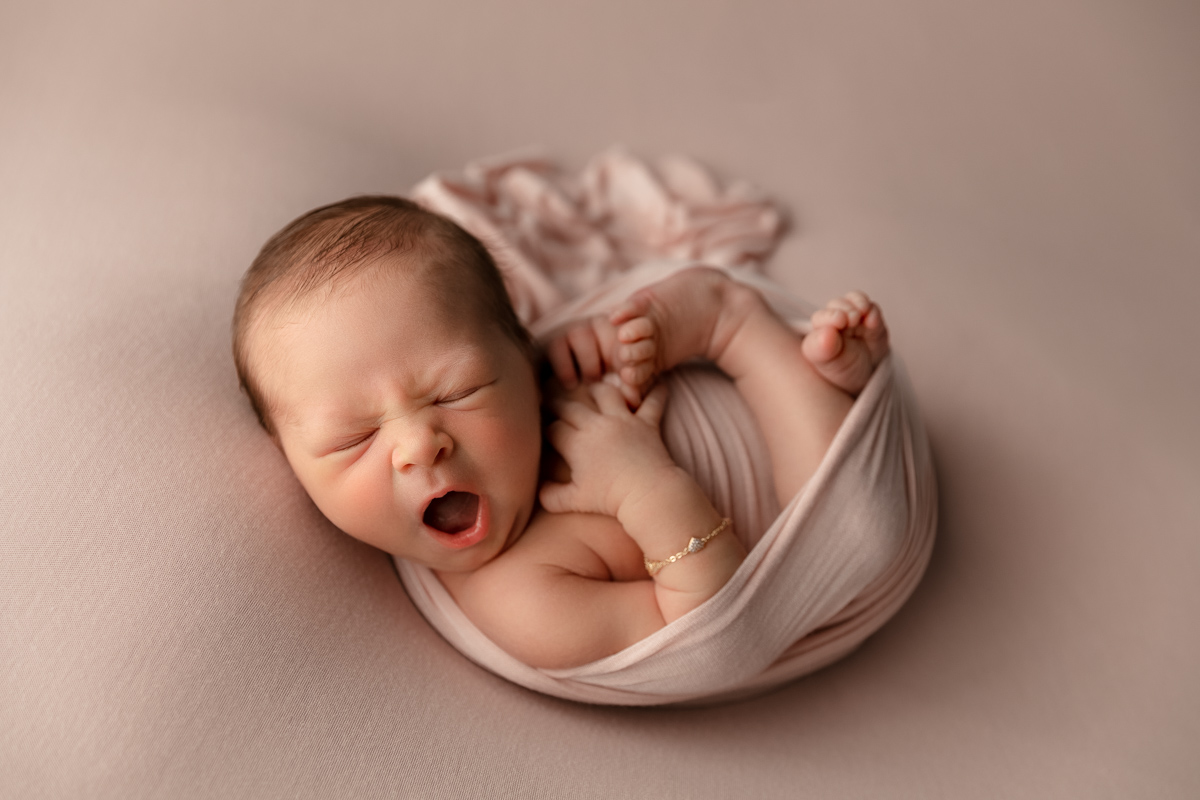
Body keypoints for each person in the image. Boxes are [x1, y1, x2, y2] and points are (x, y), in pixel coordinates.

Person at [233, 195, 890, 670]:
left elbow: (534, 362)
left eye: (458, 392)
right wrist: (644, 486)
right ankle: (742, 327)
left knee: (615, 329)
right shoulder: (521, 602)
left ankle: (774, 350)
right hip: (808, 537)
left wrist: (588, 350)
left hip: (706, 395)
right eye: (353, 438)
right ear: (290, 461)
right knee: (860, 527)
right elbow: (718, 635)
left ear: (519, 357)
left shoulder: (529, 379)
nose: (417, 445)